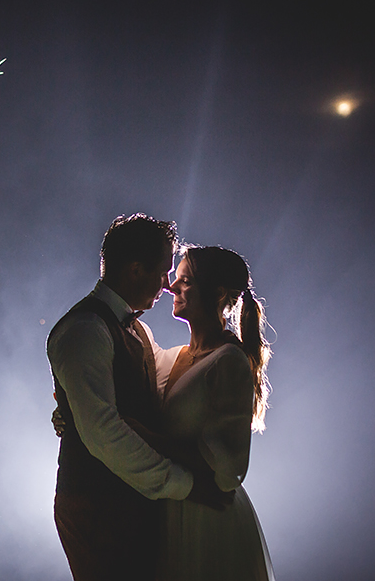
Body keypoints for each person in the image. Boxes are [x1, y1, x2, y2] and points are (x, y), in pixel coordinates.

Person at [48, 214, 231, 581]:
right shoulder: (85, 330)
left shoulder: (138, 330)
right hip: (96, 506)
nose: (167, 285)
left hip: (127, 502)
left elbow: (167, 387)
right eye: (163, 272)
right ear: (134, 270)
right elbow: (104, 433)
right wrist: (186, 485)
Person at [151, 245, 276, 580]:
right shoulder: (171, 357)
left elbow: (228, 469)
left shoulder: (228, 361)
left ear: (218, 293)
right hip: (168, 505)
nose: (171, 287)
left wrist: (147, 438)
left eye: (185, 281)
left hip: (205, 518)